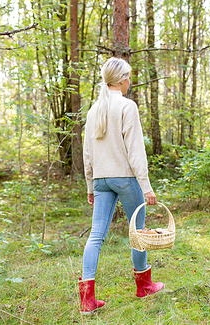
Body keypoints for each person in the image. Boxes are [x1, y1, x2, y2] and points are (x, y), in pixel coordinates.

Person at [78, 57, 164, 315]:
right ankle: (144, 286)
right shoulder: (127, 106)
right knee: (137, 231)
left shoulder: (94, 110)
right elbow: (136, 152)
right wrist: (146, 186)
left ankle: (87, 300)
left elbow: (87, 153)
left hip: (102, 180)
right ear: (123, 79)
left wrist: (90, 186)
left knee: (95, 236)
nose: (130, 81)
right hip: (126, 179)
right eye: (129, 77)